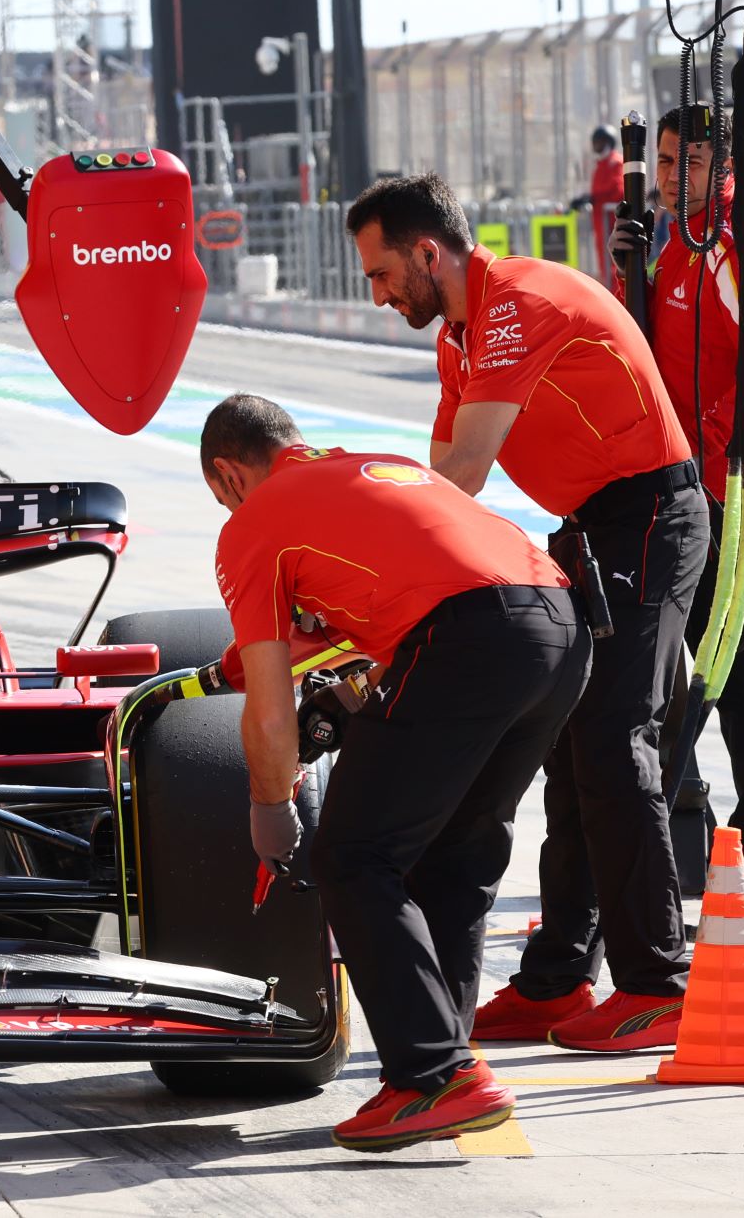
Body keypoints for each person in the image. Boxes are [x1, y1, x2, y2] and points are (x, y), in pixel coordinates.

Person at [349, 173, 706, 1053]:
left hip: (651, 512)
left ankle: (657, 983)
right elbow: (439, 489)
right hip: (593, 524)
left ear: (430, 252)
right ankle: (555, 981)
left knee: (617, 739)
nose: (379, 293)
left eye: (384, 272)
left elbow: (461, 473)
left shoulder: (515, 303)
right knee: (569, 744)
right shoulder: (460, 340)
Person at [203, 394, 587, 1151]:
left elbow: (272, 716)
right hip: (562, 627)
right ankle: (445, 1063)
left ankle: (433, 1074)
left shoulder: (253, 523)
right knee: (459, 848)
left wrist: (270, 804)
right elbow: (409, 598)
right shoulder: (382, 470)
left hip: (470, 638)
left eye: (221, 495)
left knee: (351, 852)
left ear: (228, 474)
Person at [612, 105, 744, 863]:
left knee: (740, 657)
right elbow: (649, 351)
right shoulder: (679, 247)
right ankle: (708, 819)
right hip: (683, 486)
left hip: (728, 490)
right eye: (662, 161)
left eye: (687, 163)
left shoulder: (742, 249)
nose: (668, 177)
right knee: (693, 648)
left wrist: (707, 468)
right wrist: (627, 267)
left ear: (725, 169)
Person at [571, 126, 625, 278]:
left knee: (614, 263)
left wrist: (593, 197)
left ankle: (616, 297)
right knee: (605, 264)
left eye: (599, 142)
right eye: (595, 142)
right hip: (602, 223)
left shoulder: (615, 162)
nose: (596, 146)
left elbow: (618, 190)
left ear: (608, 142)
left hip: (611, 223)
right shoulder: (602, 164)